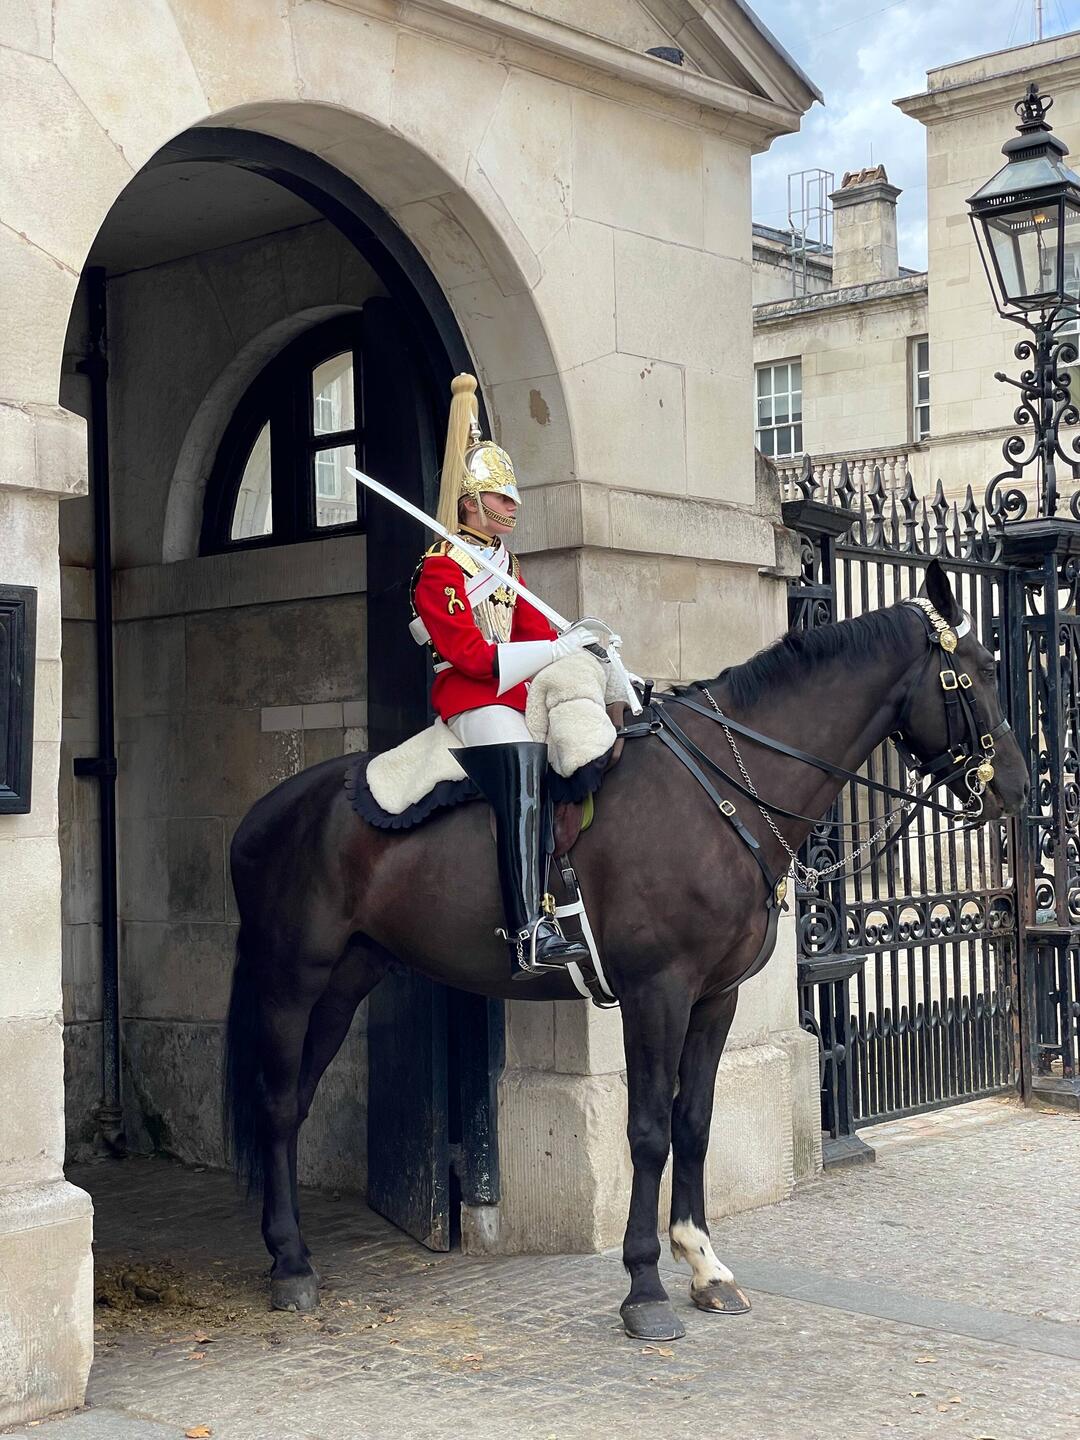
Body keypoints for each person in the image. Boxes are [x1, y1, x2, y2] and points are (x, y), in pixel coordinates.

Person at [410, 373, 599, 977]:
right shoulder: (439, 569)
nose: (513, 507)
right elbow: (470, 656)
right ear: (469, 502)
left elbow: (533, 637)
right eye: (501, 498)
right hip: (470, 698)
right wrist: (550, 653)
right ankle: (527, 931)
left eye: (513, 497)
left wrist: (584, 652)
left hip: (511, 693)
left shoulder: (506, 564)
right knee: (520, 760)